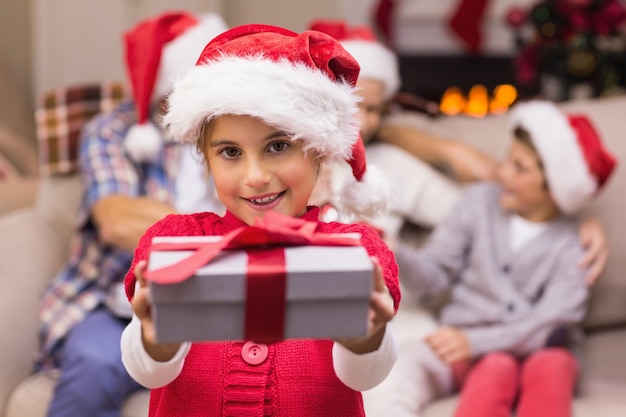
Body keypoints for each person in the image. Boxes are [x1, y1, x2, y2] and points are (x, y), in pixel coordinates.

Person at [120, 23, 401, 417]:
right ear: (207, 160)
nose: (254, 177)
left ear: (318, 151)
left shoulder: (351, 251)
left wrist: (366, 340)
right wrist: (157, 344)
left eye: (278, 146)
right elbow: (145, 369)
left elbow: (367, 375)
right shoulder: (176, 243)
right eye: (231, 153)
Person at [307, 20, 610, 285]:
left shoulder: (388, 167)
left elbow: (480, 210)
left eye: (373, 108)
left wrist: (570, 217)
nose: (363, 120)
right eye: (352, 104)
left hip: (378, 316)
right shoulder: (282, 163)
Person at [35, 11, 228, 417]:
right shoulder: (112, 131)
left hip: (216, 303)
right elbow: (118, 220)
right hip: (114, 303)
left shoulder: (235, 130)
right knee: (94, 364)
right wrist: (224, 236)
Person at [372, 99, 617, 417]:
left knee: (553, 362)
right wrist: (393, 249)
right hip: (466, 343)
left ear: (555, 189)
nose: (502, 172)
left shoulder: (577, 242)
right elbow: (432, 279)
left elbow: (551, 322)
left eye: (520, 168)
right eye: (507, 160)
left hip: (538, 349)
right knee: (494, 366)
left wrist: (475, 341)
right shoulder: (477, 202)